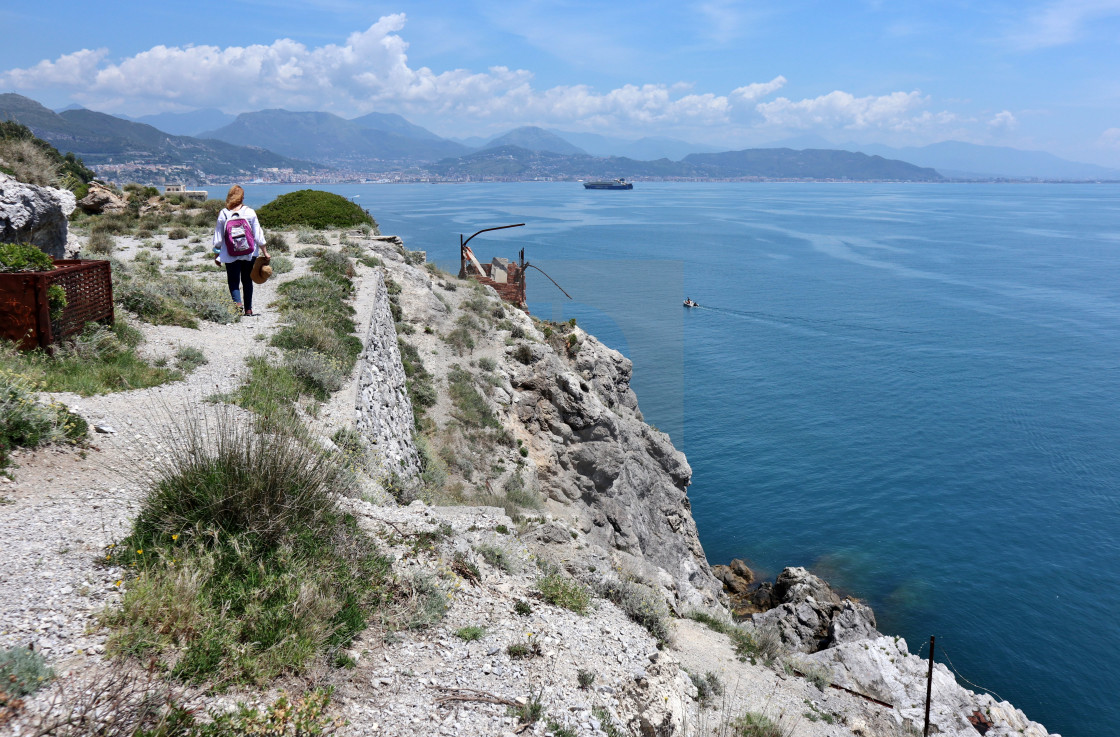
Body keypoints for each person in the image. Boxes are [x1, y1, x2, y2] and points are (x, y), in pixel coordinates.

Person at [213, 185, 269, 316]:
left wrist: (217, 254)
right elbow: (258, 235)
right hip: (249, 253)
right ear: (242, 197)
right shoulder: (249, 212)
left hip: (230, 253)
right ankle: (248, 309)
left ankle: (238, 304)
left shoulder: (224, 213)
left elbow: (218, 237)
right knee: (247, 280)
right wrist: (265, 252)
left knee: (233, 281)